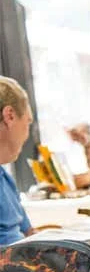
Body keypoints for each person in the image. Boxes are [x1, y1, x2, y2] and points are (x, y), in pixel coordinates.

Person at [0, 77, 33, 245]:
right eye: (27, 122)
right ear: (10, 116)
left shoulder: (4, 177)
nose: (27, 135)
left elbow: (29, 233)